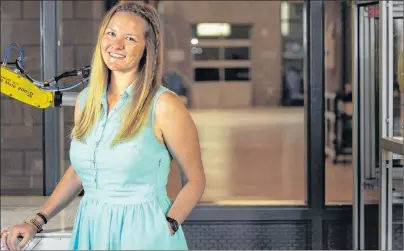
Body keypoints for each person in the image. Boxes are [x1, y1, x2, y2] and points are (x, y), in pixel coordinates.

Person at [1, 1, 206, 250]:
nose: (116, 44)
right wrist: (36, 221)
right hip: (92, 227)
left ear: (146, 48)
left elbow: (196, 180)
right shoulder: (86, 100)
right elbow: (78, 171)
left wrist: (167, 226)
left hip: (145, 234)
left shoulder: (164, 105)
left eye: (130, 38)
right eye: (111, 33)